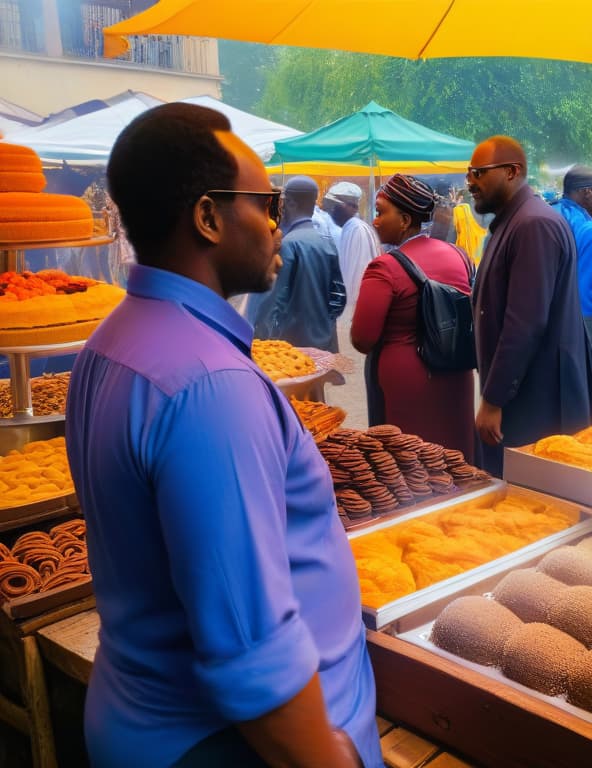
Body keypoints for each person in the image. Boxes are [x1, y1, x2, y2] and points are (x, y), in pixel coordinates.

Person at [64, 103, 380, 768]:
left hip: (141, 714)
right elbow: (249, 652)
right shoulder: (211, 388)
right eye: (263, 202)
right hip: (223, 745)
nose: (274, 225)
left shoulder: (107, 345)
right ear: (207, 217)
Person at [467, 135, 592, 475]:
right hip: (525, 390)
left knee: (531, 501)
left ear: (512, 171)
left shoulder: (533, 224)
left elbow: (524, 323)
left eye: (479, 173)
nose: (470, 182)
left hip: (538, 397)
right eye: (469, 173)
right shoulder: (513, 222)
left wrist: (494, 399)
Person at [350, 173, 476, 461]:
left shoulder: (384, 268)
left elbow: (362, 339)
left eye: (381, 212)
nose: (375, 221)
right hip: (456, 374)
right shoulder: (458, 255)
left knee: (410, 469)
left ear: (406, 220)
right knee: (455, 458)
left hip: (406, 383)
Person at [251, 175, 345, 352]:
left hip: (293, 346)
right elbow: (339, 296)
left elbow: (274, 300)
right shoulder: (327, 241)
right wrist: (323, 325)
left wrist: (261, 340)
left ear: (291, 203)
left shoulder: (289, 244)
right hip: (325, 344)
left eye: (284, 202)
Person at [554, 165, 592, 380]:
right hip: (586, 316)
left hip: (550, 313)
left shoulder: (552, 213)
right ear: (587, 192)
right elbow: (590, 288)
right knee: (589, 380)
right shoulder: (591, 231)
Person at [323, 181, 380, 323]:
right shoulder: (352, 227)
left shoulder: (355, 229)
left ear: (351, 207)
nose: (332, 211)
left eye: (336, 207)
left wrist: (345, 314)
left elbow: (354, 276)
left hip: (353, 311)